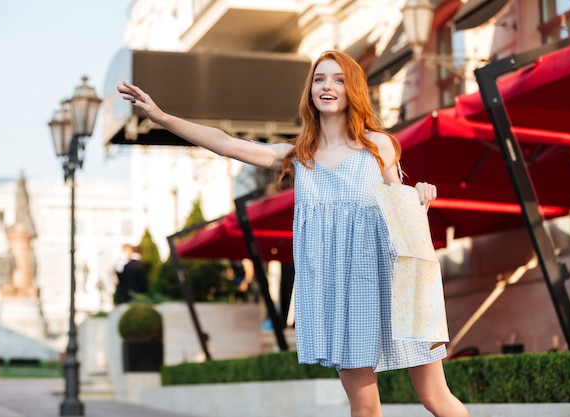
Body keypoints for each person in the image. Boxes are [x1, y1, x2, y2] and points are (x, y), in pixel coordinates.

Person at [118, 50, 469, 417]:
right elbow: (224, 142)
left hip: (394, 284)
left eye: (338, 79)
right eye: (319, 79)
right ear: (310, 91)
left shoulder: (377, 146)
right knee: (364, 407)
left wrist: (421, 194)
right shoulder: (299, 157)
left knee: (434, 397)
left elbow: (401, 210)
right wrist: (161, 117)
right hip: (340, 294)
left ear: (353, 91)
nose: (327, 86)